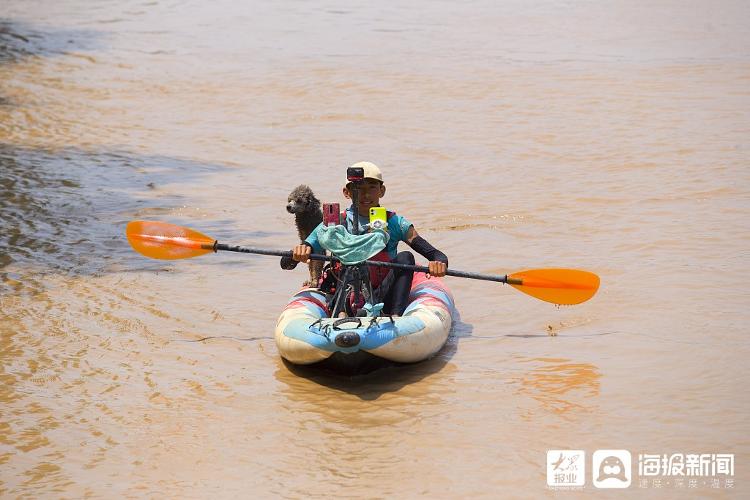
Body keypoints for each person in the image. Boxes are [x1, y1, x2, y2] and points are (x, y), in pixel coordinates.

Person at [289, 162, 448, 316]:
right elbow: (287, 263)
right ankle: (341, 314)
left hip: (386, 295)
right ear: (347, 192)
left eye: (372, 187)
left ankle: (396, 317)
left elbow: (436, 254)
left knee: (406, 257)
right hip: (344, 294)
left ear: (382, 191)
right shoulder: (333, 225)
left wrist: (439, 263)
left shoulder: (394, 223)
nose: (365, 194)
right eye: (358, 188)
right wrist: (299, 252)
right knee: (348, 263)